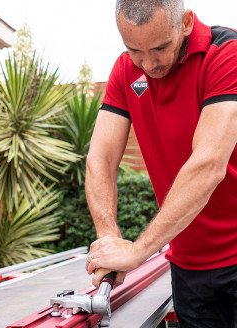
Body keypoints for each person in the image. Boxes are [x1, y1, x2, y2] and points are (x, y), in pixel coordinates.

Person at [85, 0, 237, 326]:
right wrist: (109, 239)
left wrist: (137, 252)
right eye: (134, 50)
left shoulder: (226, 53)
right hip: (190, 270)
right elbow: (101, 158)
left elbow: (208, 163)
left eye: (160, 48)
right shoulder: (127, 70)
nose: (148, 64)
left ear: (185, 22)